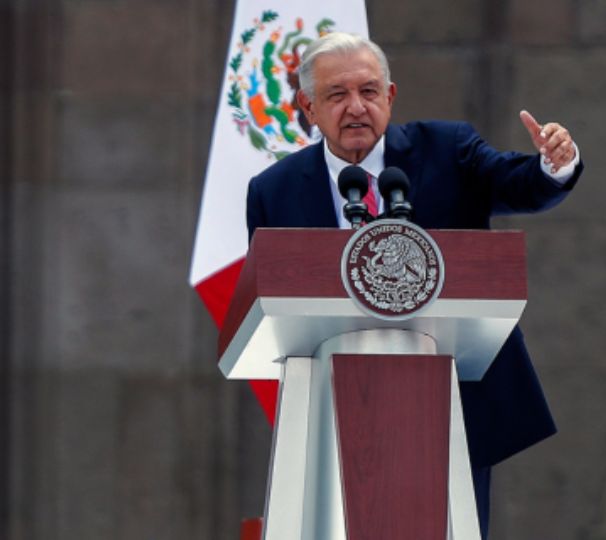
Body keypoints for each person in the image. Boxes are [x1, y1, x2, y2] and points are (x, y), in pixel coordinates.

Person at [246, 32, 583, 538]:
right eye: (337, 95)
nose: (356, 107)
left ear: (391, 97)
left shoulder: (446, 150)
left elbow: (516, 182)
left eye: (369, 91)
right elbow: (266, 301)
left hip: (452, 400)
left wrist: (554, 165)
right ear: (308, 108)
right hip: (329, 412)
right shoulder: (273, 191)